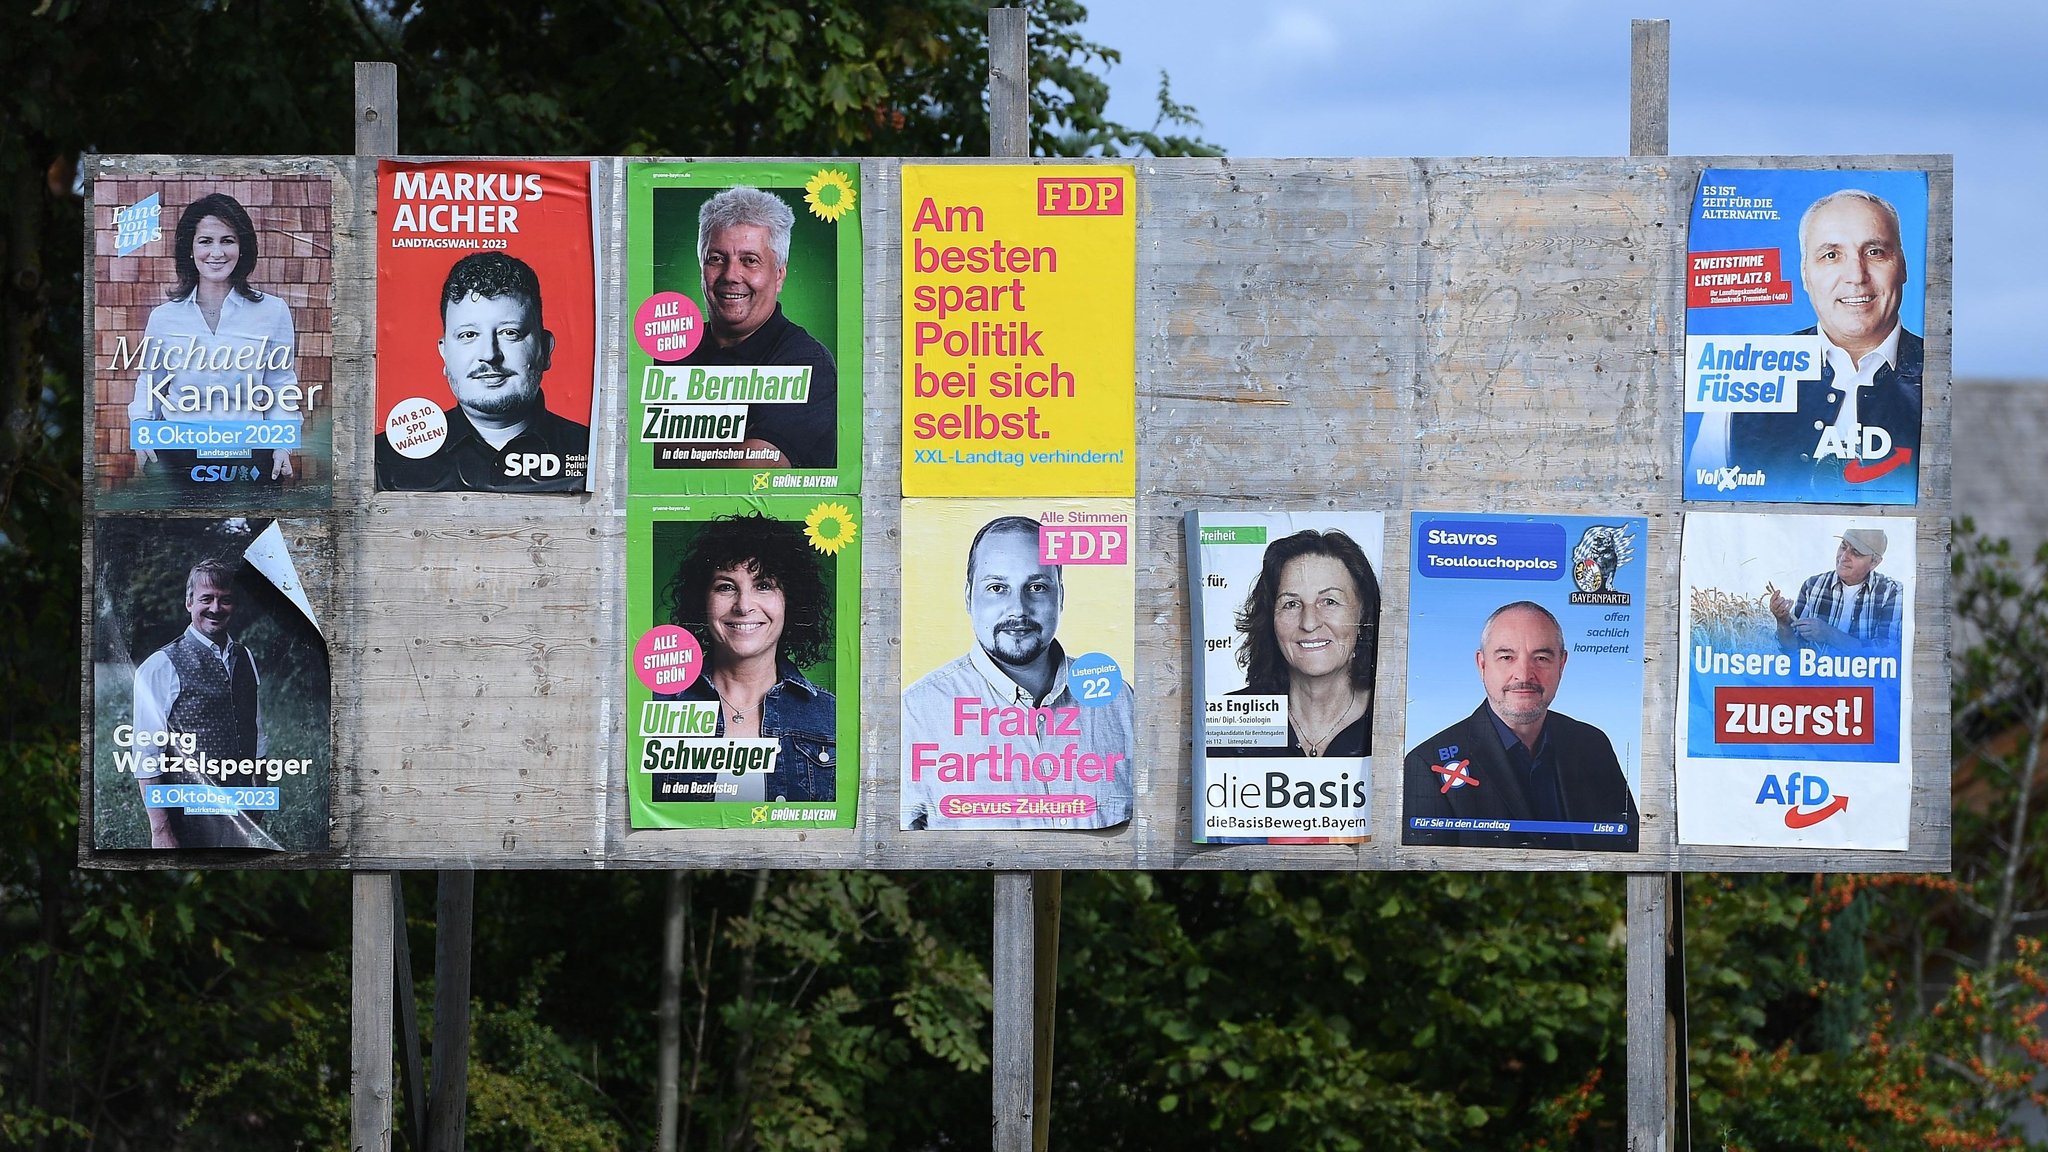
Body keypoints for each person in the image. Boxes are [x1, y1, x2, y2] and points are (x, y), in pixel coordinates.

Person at [901, 516, 1135, 830]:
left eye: (1036, 587)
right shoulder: (916, 713)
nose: (1018, 610)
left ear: (1060, 596)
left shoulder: (1118, 699)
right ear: (969, 596)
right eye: (997, 588)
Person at [1403, 601, 1639, 851]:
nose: (1524, 674)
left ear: (1562, 664)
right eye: (1507, 657)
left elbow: (1628, 845)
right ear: (1482, 665)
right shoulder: (1426, 765)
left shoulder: (1593, 745)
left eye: (1541, 658)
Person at [1726, 189, 1923, 487]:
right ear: (1805, 274)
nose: (1856, 276)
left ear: (1903, 267)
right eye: (1831, 255)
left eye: (1875, 252)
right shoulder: (1748, 375)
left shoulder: (1944, 375)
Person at [375, 251, 590, 492]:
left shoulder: (591, 451)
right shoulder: (384, 460)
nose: (489, 354)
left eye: (510, 333)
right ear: (444, 354)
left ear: (545, 349)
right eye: (468, 335)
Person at [658, 513, 837, 802]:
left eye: (764, 585)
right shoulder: (657, 704)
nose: (743, 606)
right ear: (702, 601)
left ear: (791, 601)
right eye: (726, 587)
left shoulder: (831, 718)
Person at [127, 192, 302, 483]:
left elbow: (280, 385)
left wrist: (283, 444)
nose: (217, 253)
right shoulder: (163, 317)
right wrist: (142, 431)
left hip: (250, 456)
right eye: (206, 241)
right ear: (190, 249)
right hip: (179, 455)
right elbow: (150, 382)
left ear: (243, 247)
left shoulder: (273, 311)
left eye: (227, 240)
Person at [676, 187, 837, 468]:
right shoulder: (672, 351)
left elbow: (751, 468)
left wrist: (663, 448)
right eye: (716, 258)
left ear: (779, 276)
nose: (730, 275)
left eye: (750, 261)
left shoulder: (807, 362)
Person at [130, 560, 278, 849]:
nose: (215, 608)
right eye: (206, 598)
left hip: (240, 811)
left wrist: (260, 797)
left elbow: (256, 733)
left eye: (225, 600)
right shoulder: (161, 665)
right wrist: (161, 831)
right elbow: (146, 752)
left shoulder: (244, 657)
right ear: (189, 603)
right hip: (187, 817)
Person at [1213, 529, 1379, 757]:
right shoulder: (1233, 719)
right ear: (1270, 618)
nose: (1309, 623)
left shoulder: (1388, 718)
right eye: (1291, 604)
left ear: (1363, 615)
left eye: (1329, 601)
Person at [1771, 528, 1904, 656]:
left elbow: (1886, 653)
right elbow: (1792, 650)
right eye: (1843, 546)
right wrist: (1782, 622)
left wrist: (1829, 634)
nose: (1844, 556)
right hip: (1815, 678)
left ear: (1874, 562)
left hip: (1865, 680)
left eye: (1856, 552)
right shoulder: (1813, 585)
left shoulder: (1892, 592)